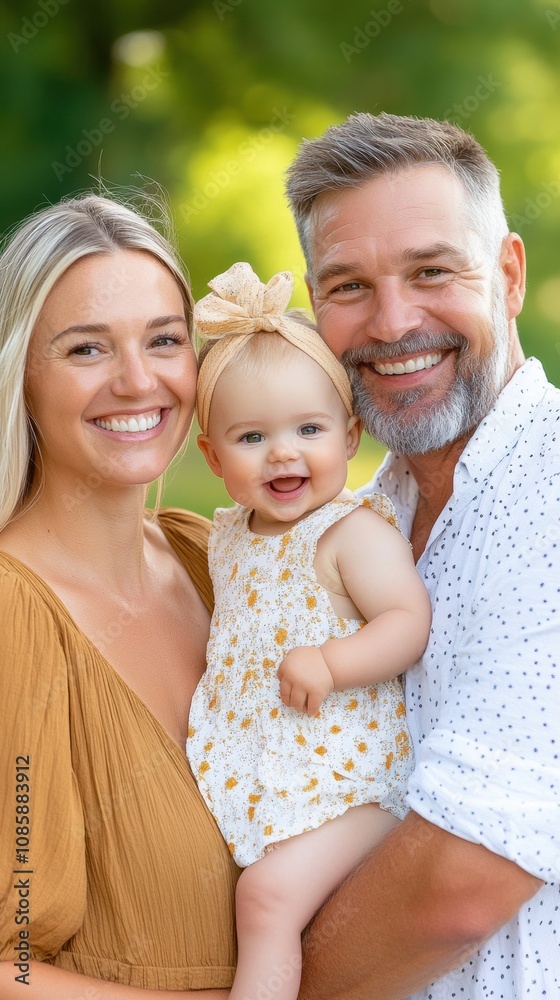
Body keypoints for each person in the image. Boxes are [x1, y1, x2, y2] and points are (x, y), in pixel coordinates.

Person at [285, 112, 560, 999]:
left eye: (432, 272)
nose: (393, 322)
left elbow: (458, 885)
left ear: (509, 276)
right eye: (349, 286)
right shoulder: (359, 522)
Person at [0, 194, 239, 998]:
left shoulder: (216, 558)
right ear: (20, 373)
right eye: (87, 349)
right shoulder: (11, 613)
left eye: (165, 341)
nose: (139, 381)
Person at [187, 261, 432, 1000]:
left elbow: (406, 622)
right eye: (253, 436)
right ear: (212, 456)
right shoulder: (227, 536)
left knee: (265, 901)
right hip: (279, 778)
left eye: (309, 429)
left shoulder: (348, 532)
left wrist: (332, 660)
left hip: (355, 788)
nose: (284, 452)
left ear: (350, 434)